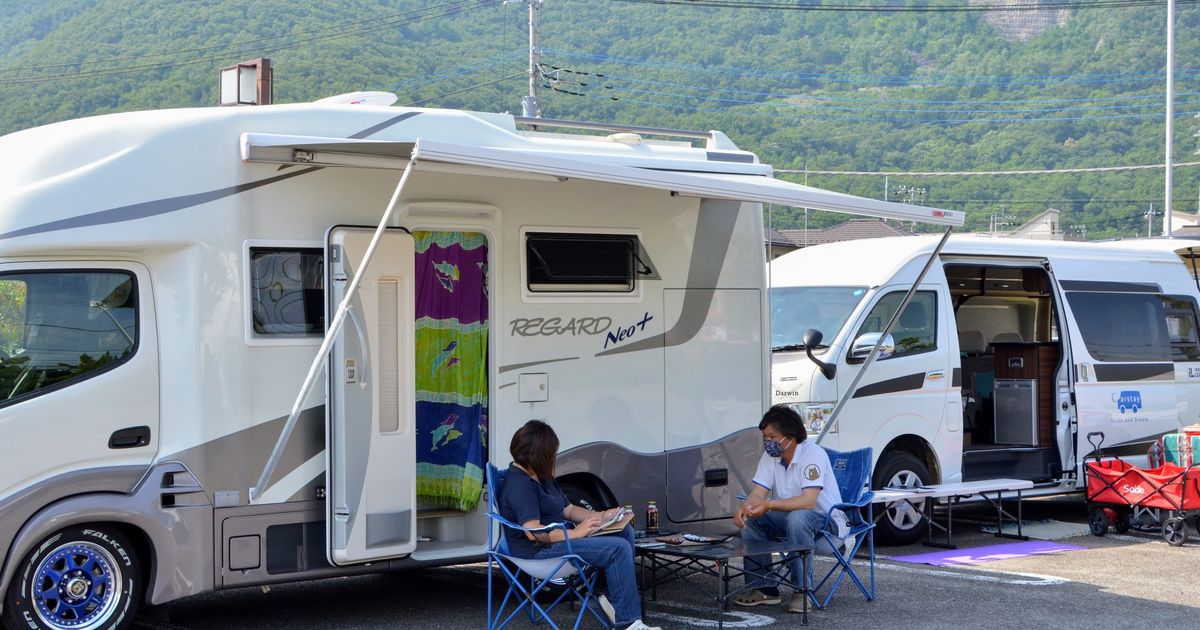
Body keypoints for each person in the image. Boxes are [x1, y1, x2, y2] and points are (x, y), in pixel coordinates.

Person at [499, 420, 659, 630]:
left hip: (559, 540)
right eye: (550, 454)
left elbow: (569, 510)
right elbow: (534, 533)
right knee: (617, 549)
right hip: (538, 552)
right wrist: (576, 534)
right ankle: (628, 623)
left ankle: (612, 600)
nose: (553, 458)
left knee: (624, 531)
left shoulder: (540, 476)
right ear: (537, 455)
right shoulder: (520, 484)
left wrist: (603, 516)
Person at [731, 405, 846, 614]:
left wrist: (769, 505)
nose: (768, 442)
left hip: (827, 524)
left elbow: (809, 501)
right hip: (790, 520)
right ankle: (764, 588)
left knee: (798, 517)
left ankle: (802, 591)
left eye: (773, 437)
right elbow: (758, 493)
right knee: (752, 518)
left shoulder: (812, 454)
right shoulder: (771, 457)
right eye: (765, 437)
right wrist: (746, 507)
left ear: (790, 435)